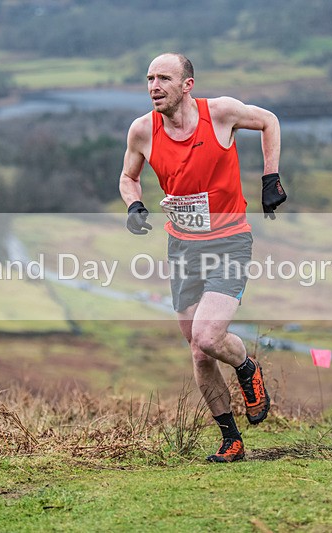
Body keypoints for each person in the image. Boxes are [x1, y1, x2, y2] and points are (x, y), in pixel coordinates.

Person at [119, 53, 286, 462]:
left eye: (164, 78)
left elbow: (269, 121)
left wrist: (270, 177)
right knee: (197, 350)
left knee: (209, 337)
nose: (154, 86)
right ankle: (231, 440)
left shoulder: (221, 114)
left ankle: (246, 367)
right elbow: (128, 177)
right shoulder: (142, 130)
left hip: (229, 241)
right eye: (149, 79)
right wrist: (134, 205)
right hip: (182, 248)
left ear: (187, 85)